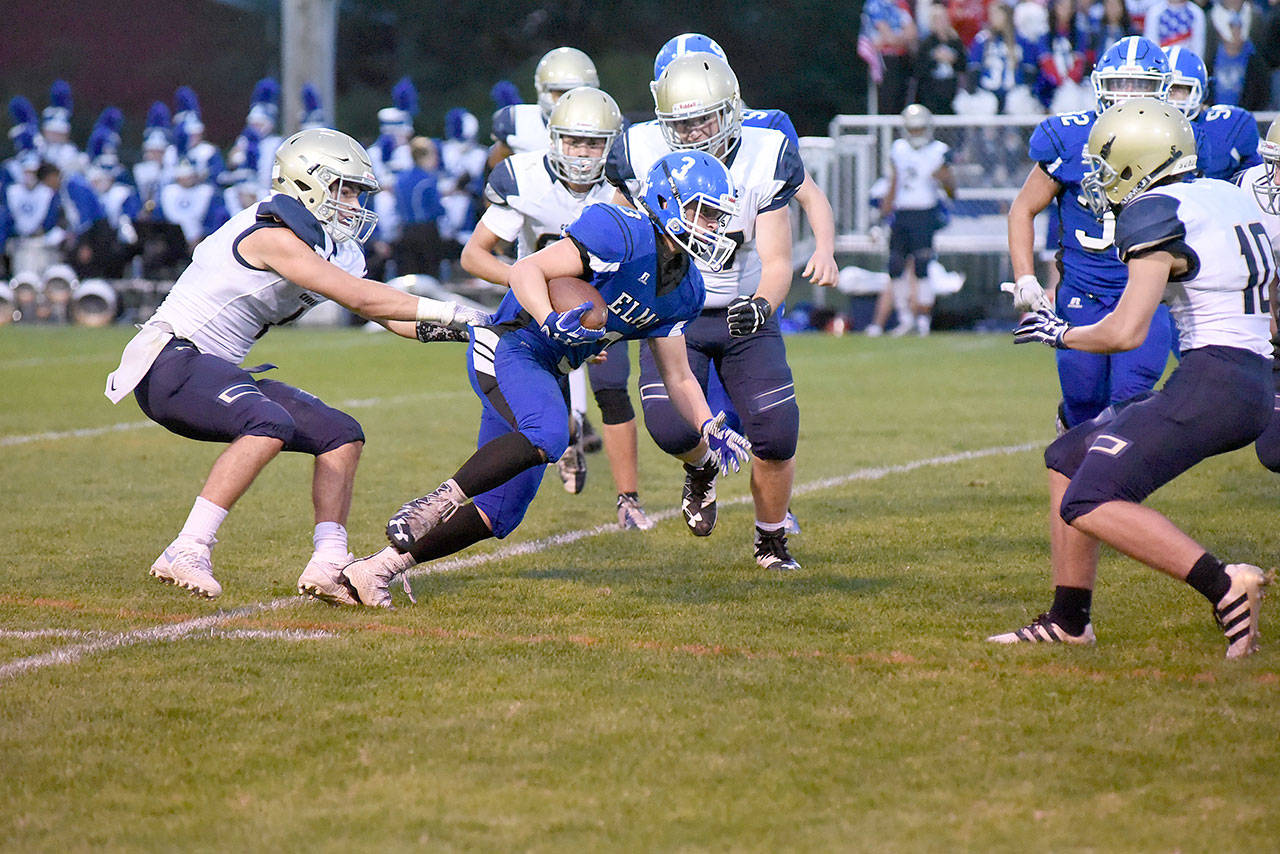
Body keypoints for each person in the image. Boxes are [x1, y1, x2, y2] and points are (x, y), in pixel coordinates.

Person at [339, 151, 752, 608]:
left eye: (716, 216)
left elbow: (678, 374)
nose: (712, 226)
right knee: (551, 434)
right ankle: (431, 504)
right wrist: (550, 318)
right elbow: (525, 269)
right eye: (703, 212)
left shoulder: (687, 288)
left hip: (546, 369)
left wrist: (709, 424)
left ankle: (375, 568)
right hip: (513, 344)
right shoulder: (619, 232)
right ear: (665, 199)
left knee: (501, 512)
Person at [102, 128, 488, 602]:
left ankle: (328, 562)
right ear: (307, 183)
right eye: (344, 189)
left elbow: (384, 315)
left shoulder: (335, 246)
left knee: (340, 434)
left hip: (216, 368)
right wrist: (458, 309)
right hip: (171, 361)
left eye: (357, 192)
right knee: (269, 422)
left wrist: (473, 330)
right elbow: (360, 295)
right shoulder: (272, 234)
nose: (352, 203)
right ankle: (187, 547)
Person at [992, 99, 1274, 658]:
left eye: (1104, 164)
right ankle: (1070, 619)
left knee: (1089, 497)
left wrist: (1059, 333)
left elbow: (1124, 330)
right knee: (1067, 456)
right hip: (1248, 373)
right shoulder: (1229, 195)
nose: (1098, 178)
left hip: (1215, 380)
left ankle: (1225, 586)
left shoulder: (1156, 211)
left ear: (1138, 158)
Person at [607, 52, 806, 571]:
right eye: (681, 123)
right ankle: (700, 470)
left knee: (776, 432)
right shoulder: (639, 151)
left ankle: (771, 541)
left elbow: (778, 257)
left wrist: (763, 306)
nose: (693, 133)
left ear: (731, 109)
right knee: (673, 430)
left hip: (743, 307)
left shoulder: (765, 153)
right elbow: (621, 233)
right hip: (676, 310)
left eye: (702, 118)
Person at [459, 87, 657, 528]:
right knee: (541, 417)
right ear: (553, 138)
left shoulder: (625, 190)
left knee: (612, 388)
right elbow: (474, 256)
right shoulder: (525, 178)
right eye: (574, 140)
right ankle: (559, 448)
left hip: (603, 307)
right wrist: (536, 284)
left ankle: (628, 499)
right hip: (535, 313)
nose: (584, 154)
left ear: (613, 143)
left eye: (594, 142)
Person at [1005, 36, 1176, 432]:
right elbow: (1023, 209)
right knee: (1083, 400)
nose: (1128, 97)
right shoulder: (1069, 138)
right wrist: (1024, 276)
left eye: (1141, 86)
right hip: (1083, 291)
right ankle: (1076, 452)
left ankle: (1110, 489)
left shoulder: (1177, 141)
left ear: (1162, 91)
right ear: (1100, 84)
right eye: (1120, 84)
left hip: (1148, 292)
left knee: (1131, 400)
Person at [867, 104, 955, 338]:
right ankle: (905, 318)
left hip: (925, 212)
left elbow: (952, 189)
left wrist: (944, 178)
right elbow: (894, 182)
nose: (916, 134)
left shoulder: (939, 151)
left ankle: (924, 320)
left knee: (923, 267)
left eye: (919, 129)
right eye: (912, 129)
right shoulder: (899, 149)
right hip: (902, 212)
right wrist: (883, 215)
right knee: (895, 265)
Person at [488, 47, 599, 168]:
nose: (569, 99)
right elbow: (495, 175)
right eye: (561, 93)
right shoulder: (517, 121)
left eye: (576, 93)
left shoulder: (608, 121)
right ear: (543, 90)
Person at [1165, 46, 1261, 180]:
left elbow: (1256, 184)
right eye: (1162, 87)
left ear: (1199, 93)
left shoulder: (1226, 126)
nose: (1165, 96)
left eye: (1177, 88)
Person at [914, 6, 968, 115]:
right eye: (937, 20)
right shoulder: (926, 43)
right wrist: (935, 58)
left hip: (952, 91)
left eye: (943, 19)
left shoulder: (955, 42)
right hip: (930, 93)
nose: (941, 23)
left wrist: (953, 59)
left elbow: (963, 65)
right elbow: (918, 70)